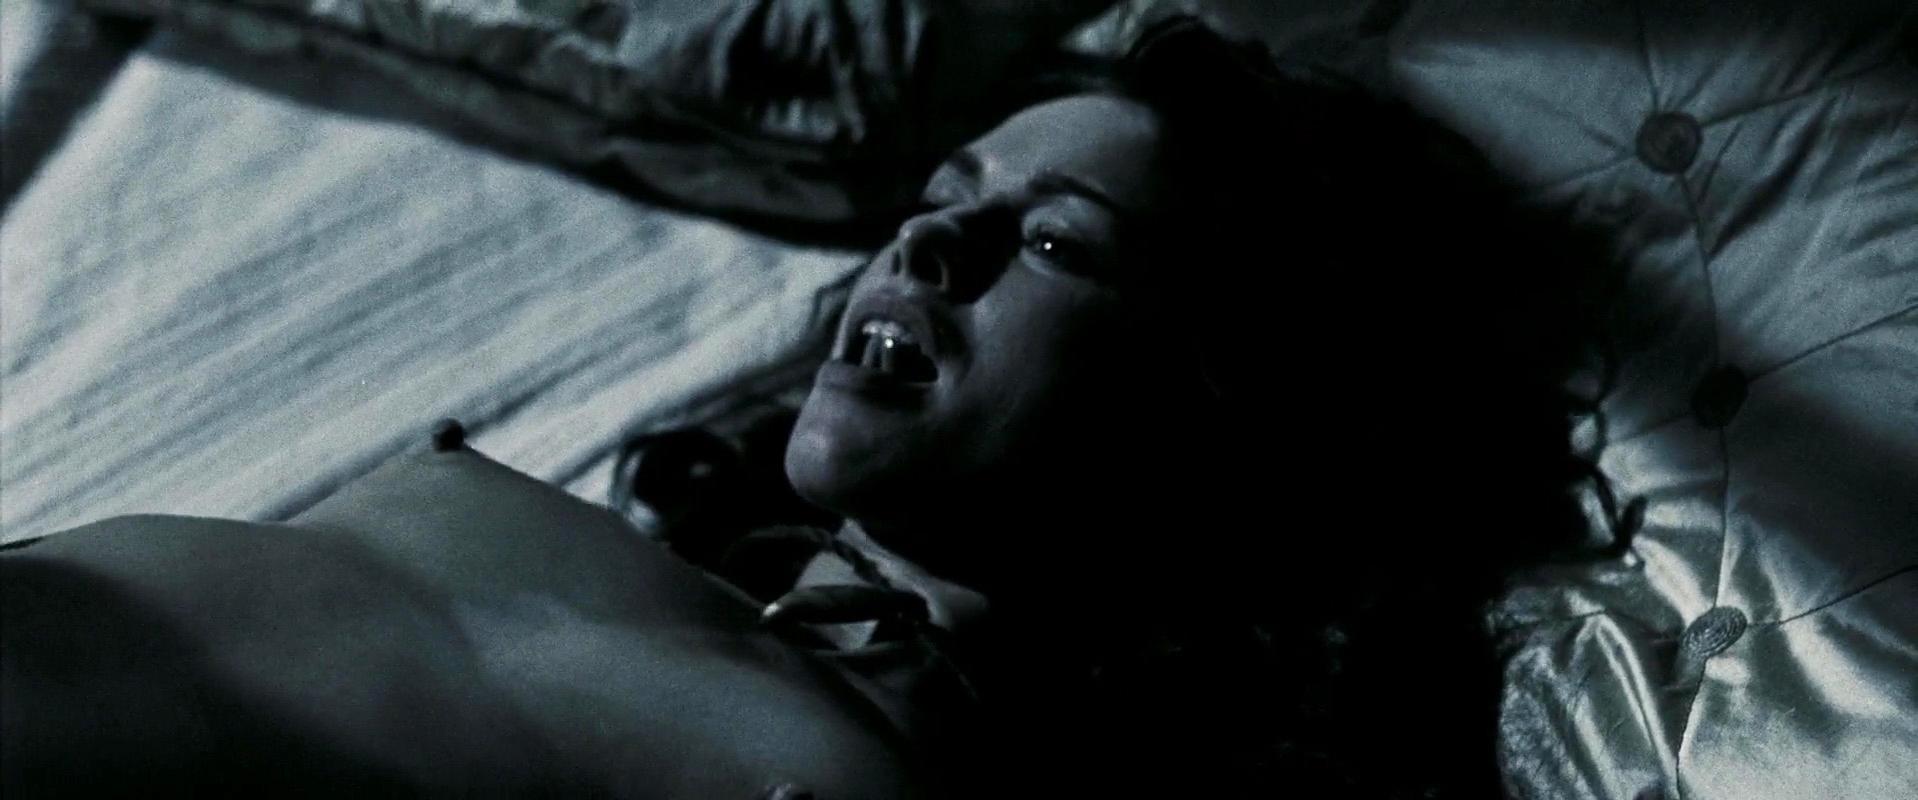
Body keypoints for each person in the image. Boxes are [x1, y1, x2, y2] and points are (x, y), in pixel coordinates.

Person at [2, 16, 1592, 799]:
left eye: (1052, 243)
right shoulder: (641, 572)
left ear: (1213, 416)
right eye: (942, 193)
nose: (927, 243)